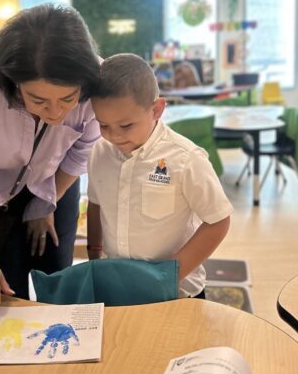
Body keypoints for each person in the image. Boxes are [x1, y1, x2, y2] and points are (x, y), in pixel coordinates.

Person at [0, 3, 101, 308]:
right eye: (38, 100)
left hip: (54, 180)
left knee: (57, 274)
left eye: (68, 99)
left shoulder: (95, 81)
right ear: (12, 83)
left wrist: (45, 201)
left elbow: (81, 151)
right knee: (4, 285)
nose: (55, 113)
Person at [86, 53, 233, 298]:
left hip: (177, 291)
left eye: (125, 126)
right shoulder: (99, 152)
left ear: (156, 110)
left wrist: (168, 276)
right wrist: (94, 255)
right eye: (103, 125)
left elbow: (218, 220)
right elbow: (95, 204)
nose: (114, 136)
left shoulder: (186, 158)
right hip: (118, 284)